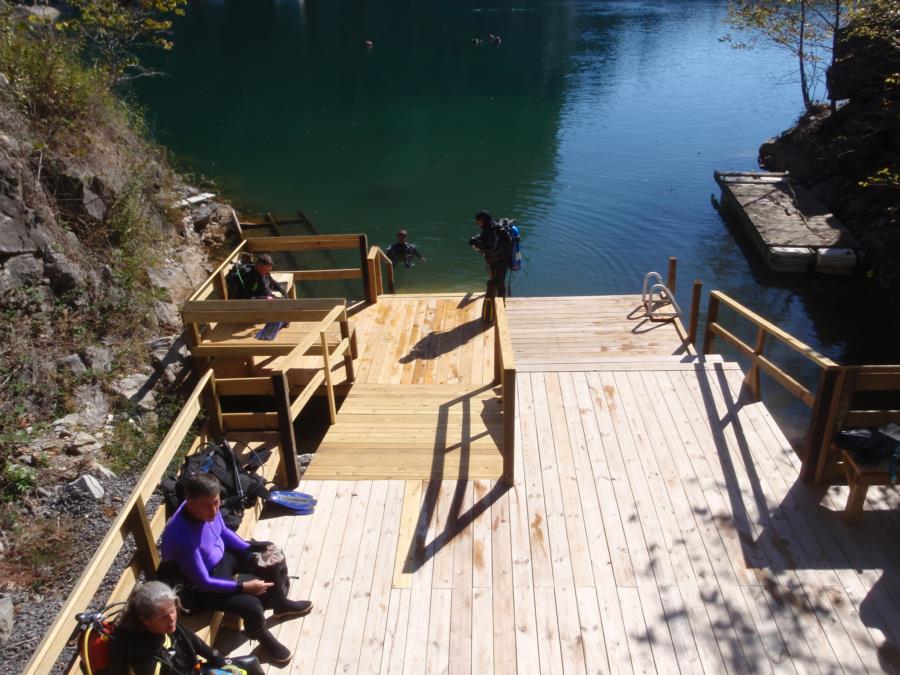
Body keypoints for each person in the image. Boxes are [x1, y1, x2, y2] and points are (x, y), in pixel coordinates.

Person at [158, 474, 312, 665]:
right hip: (198, 589)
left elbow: (222, 531)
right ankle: (260, 635)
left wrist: (249, 550)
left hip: (221, 557)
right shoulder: (182, 537)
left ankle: (280, 604)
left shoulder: (204, 510)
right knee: (252, 605)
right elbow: (203, 582)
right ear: (190, 502)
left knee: (271, 556)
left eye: (217, 502)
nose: (214, 509)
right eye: (208, 505)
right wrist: (243, 587)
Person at [113, 580, 264, 675]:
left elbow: (196, 642)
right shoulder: (145, 659)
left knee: (251, 664)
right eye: (163, 616)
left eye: (172, 611)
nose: (172, 618)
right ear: (145, 621)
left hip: (194, 669)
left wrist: (220, 662)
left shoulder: (167, 627)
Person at [468, 210, 511, 323]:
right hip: (494, 260)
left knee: (496, 283)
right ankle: (496, 306)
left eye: (478, 222)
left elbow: (490, 247)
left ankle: (500, 307)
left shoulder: (493, 229)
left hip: (502, 260)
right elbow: (484, 237)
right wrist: (475, 239)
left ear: (483, 220)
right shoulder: (488, 228)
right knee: (495, 282)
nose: (477, 224)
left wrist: (476, 243)